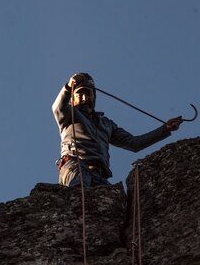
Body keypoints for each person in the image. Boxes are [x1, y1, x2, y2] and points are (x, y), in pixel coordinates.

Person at [53, 73, 183, 187]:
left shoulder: (106, 124)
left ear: (94, 96)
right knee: (78, 197)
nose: (84, 98)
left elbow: (134, 143)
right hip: (76, 167)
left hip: (99, 174)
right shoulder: (69, 114)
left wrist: (165, 129)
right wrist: (68, 86)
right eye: (79, 94)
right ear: (72, 98)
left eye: (88, 93)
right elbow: (57, 107)